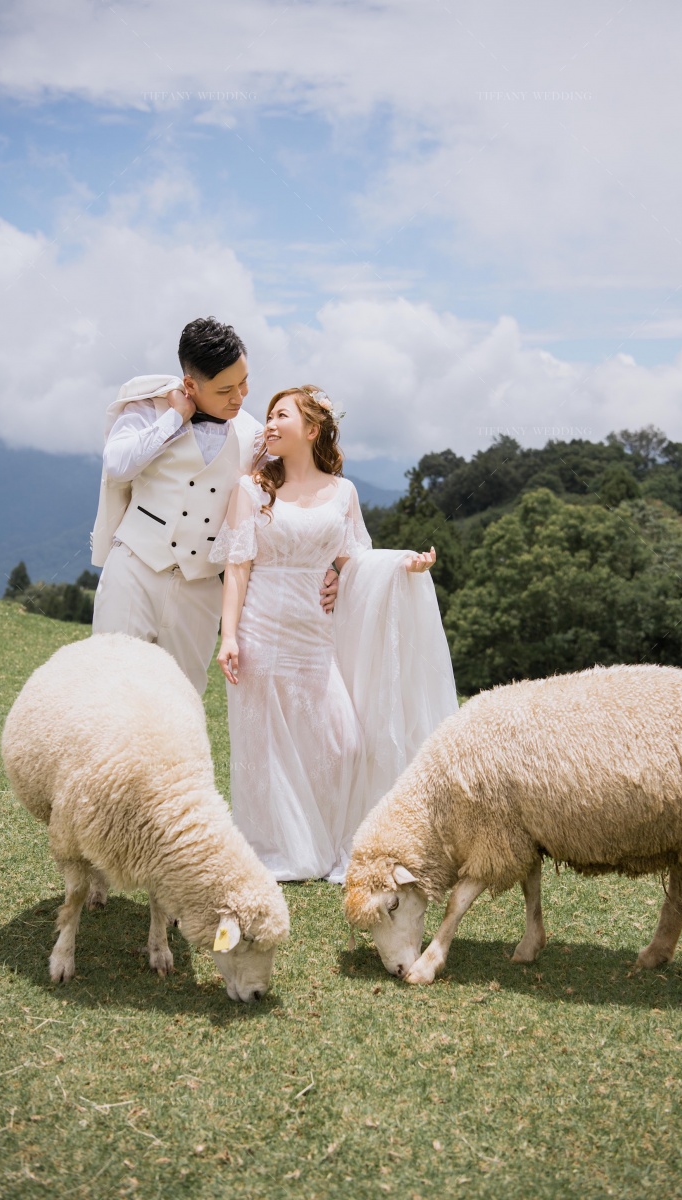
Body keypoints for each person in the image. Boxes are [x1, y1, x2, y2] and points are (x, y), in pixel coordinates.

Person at [210, 385, 458, 882]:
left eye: (281, 415)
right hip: (261, 628)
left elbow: (356, 561)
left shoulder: (343, 492)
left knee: (343, 742)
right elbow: (237, 567)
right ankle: (281, 848)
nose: (269, 425)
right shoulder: (251, 489)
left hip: (315, 636)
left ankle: (323, 840)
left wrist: (402, 565)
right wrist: (229, 635)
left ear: (312, 429)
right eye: (268, 417)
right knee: (266, 748)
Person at [90, 317, 337, 694]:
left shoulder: (254, 435)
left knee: (182, 698)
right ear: (191, 385)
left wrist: (325, 564)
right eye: (225, 389)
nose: (240, 396)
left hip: (201, 587)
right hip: (134, 571)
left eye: (244, 382)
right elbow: (118, 464)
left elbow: (300, 492)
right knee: (109, 689)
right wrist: (175, 417)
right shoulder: (149, 407)